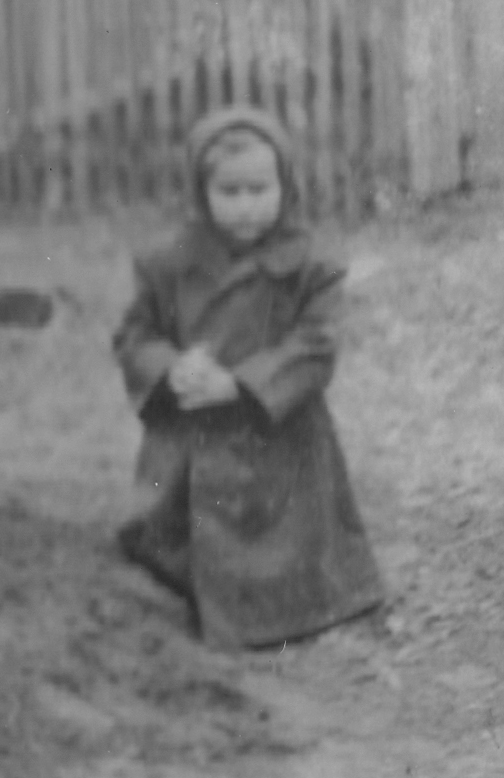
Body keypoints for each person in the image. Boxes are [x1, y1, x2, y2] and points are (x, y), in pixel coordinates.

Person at [112, 104, 383, 648]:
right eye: (229, 192)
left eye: (259, 190)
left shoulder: (311, 265)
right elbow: (135, 336)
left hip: (277, 435)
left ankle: (293, 601)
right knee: (168, 542)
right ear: (201, 191)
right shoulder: (169, 262)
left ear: (284, 185)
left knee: (286, 548)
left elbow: (316, 343)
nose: (245, 206)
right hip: (193, 437)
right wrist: (171, 368)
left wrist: (240, 384)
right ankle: (181, 579)